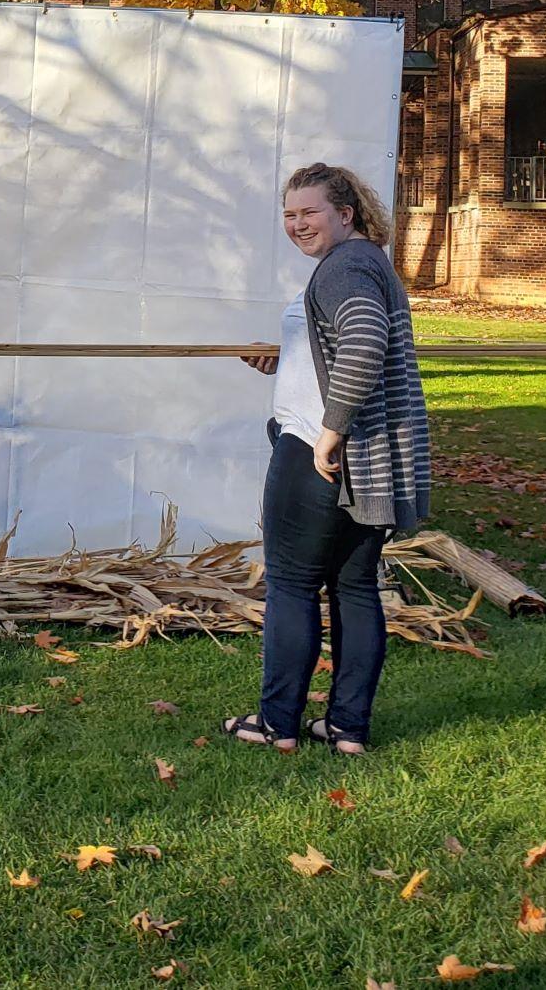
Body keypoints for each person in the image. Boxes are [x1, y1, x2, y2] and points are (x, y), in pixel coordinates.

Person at [225, 162, 430, 755]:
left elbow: (364, 339)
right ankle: (346, 727)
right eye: (288, 215)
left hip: (319, 453)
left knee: (291, 584)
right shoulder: (365, 263)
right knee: (354, 588)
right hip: (373, 457)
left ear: (345, 213)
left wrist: (329, 429)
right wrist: (286, 358)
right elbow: (341, 344)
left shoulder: (345, 265)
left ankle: (277, 723)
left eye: (308, 212)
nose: (296, 224)